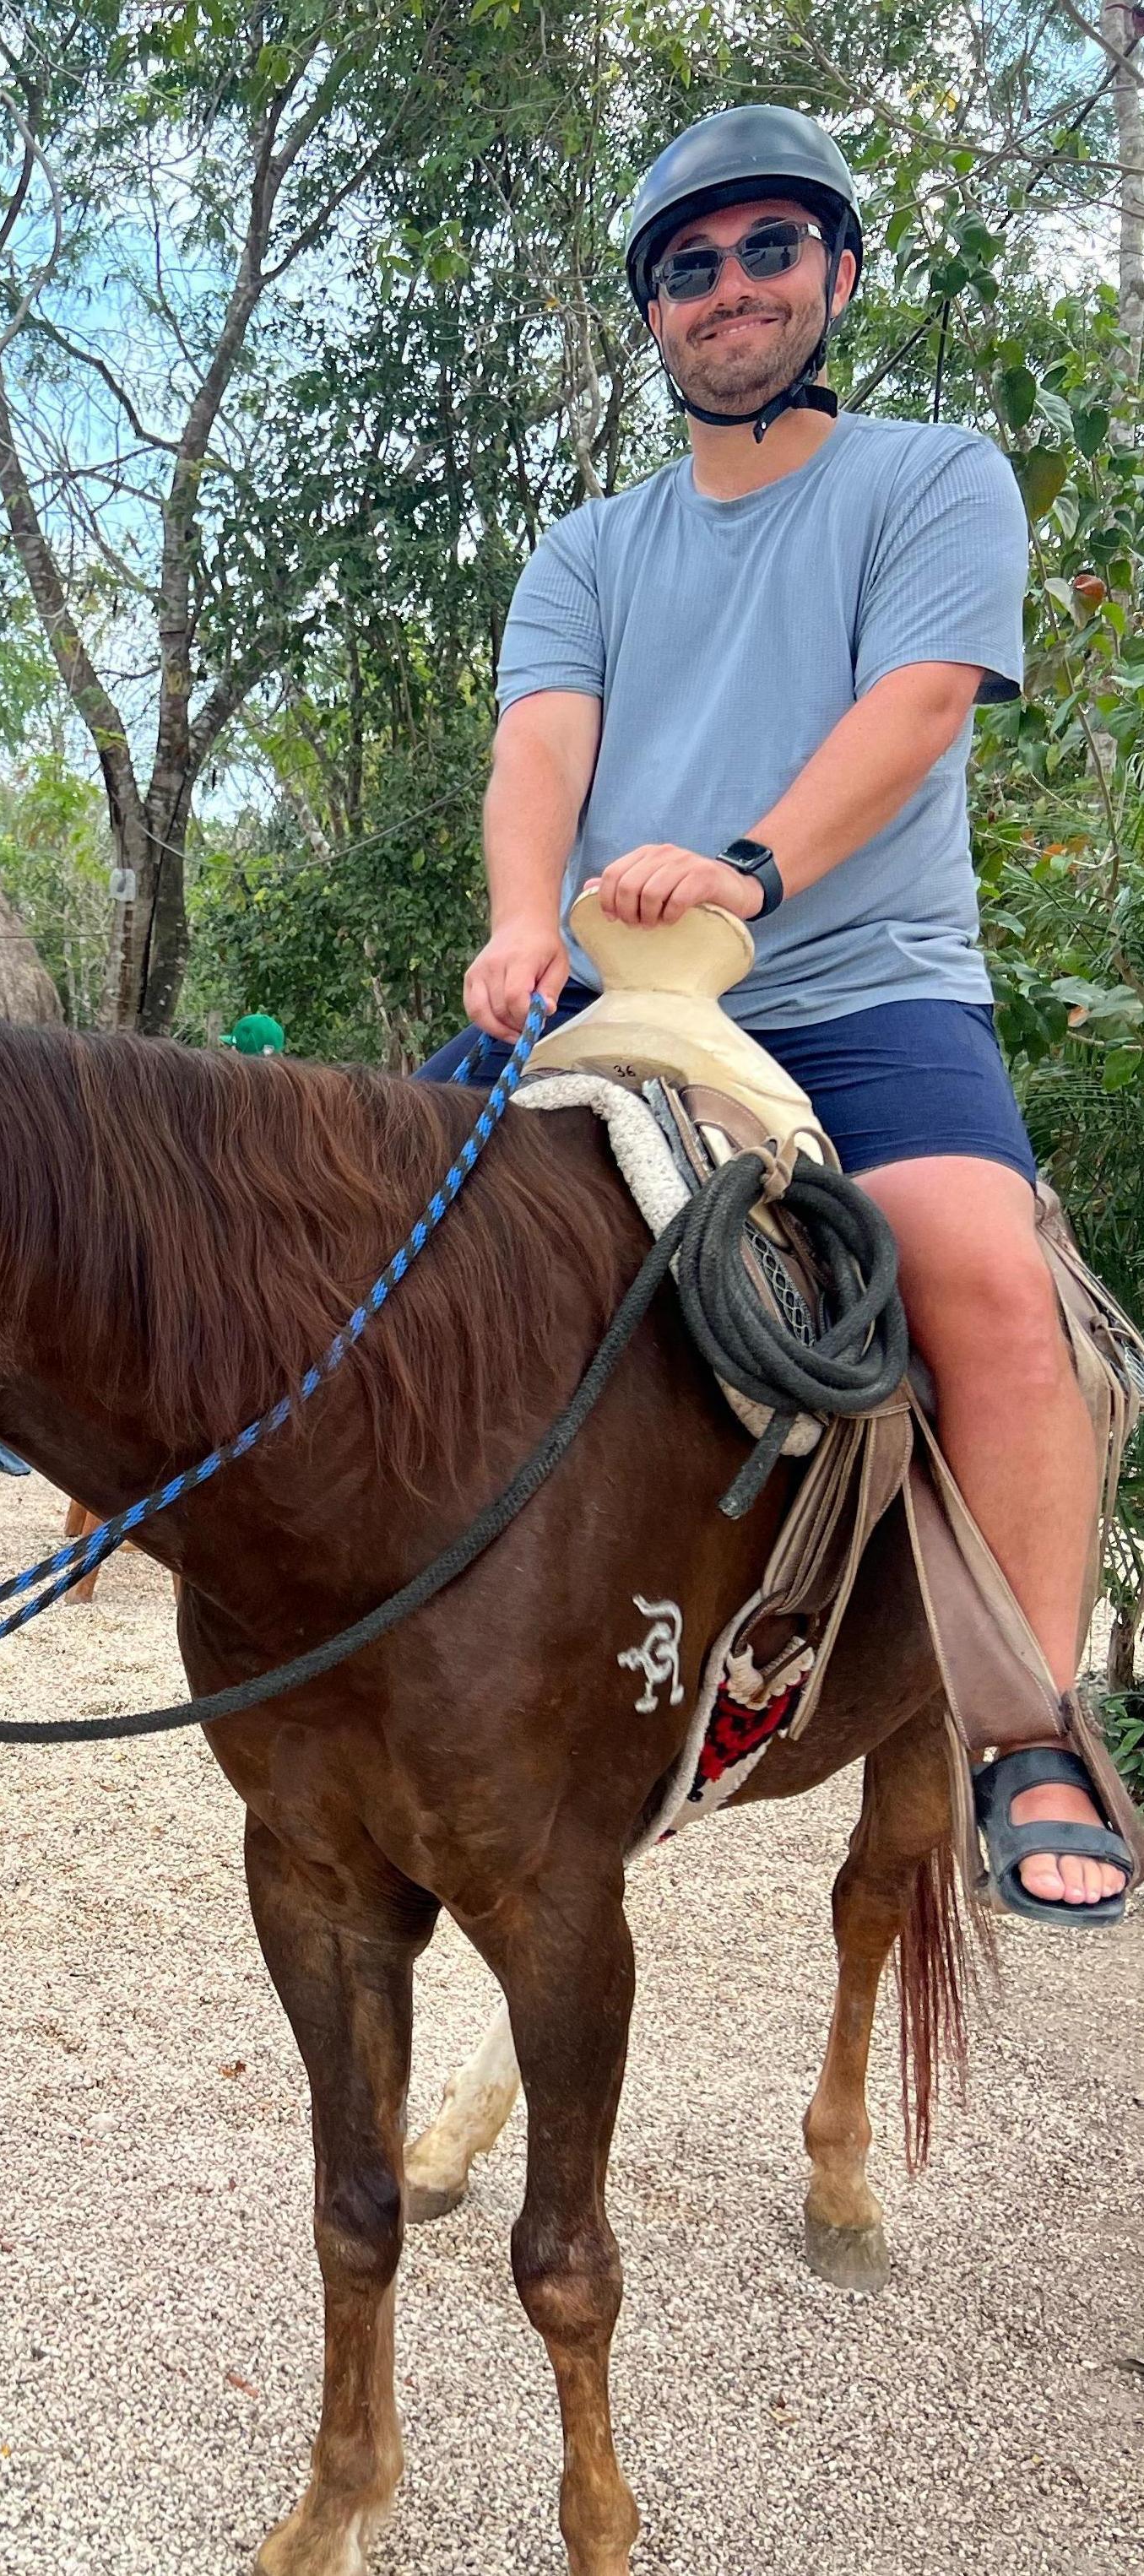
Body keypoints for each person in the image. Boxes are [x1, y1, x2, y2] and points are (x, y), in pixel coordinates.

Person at [422, 105, 1129, 1921]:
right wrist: (519, 922)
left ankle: (1030, 1721)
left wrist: (749, 865)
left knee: (979, 1264)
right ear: (653, 312)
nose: (726, 288)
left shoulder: (932, 476)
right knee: (364, 1233)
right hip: (612, 988)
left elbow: (918, 707)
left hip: (858, 981)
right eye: (689, 265)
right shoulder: (588, 549)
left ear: (834, 274)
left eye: (764, 251)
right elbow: (541, 749)